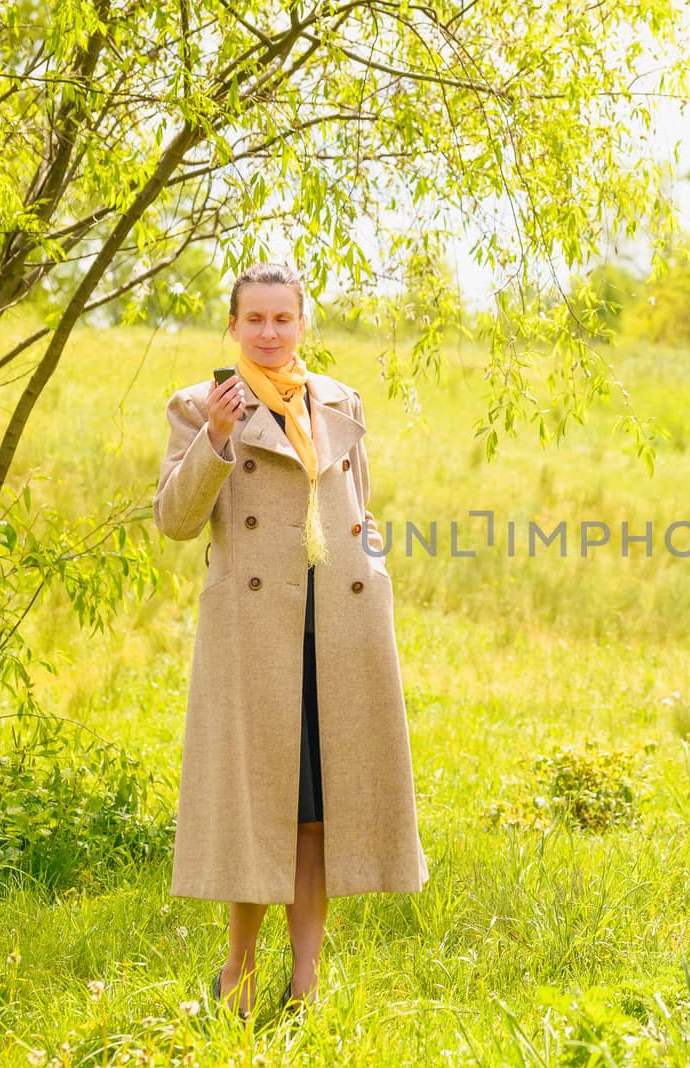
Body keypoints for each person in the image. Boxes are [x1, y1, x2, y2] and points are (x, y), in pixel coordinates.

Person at [153, 263, 429, 1021]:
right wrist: (214, 436)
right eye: (256, 320)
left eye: (283, 319)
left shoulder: (338, 401)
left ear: (302, 323)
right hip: (255, 635)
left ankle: (304, 983)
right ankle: (237, 971)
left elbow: (359, 502)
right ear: (233, 327)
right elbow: (175, 520)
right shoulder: (199, 406)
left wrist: (374, 557)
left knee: (318, 813)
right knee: (258, 809)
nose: (270, 334)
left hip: (341, 628)